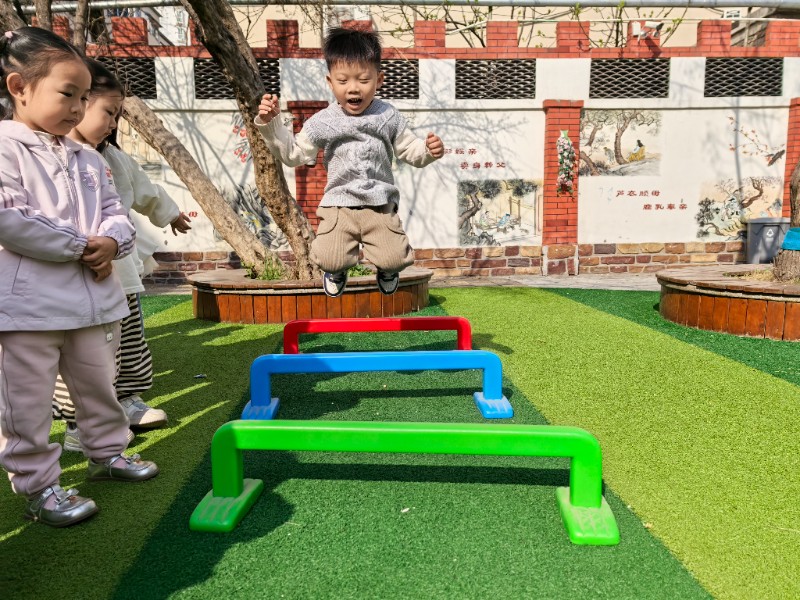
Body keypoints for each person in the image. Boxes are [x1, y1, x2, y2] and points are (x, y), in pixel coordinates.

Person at [0, 27, 159, 528]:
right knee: (26, 405)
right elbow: (9, 218)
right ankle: (38, 485)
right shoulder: (5, 148)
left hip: (92, 302)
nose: (77, 107)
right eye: (67, 94)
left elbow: (116, 213)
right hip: (28, 310)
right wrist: (81, 246)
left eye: (84, 97)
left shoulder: (88, 157)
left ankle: (107, 453)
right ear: (19, 87)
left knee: (99, 387)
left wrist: (113, 242)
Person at [51, 59, 191, 452]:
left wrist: (170, 214)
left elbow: (146, 190)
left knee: (129, 343)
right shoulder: (53, 156)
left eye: (116, 115)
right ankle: (80, 421)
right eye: (108, 112)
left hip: (121, 276)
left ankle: (127, 400)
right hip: (75, 280)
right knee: (82, 353)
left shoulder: (112, 158)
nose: (112, 123)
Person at [255, 27, 445, 297]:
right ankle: (336, 271)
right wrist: (271, 123)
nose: (353, 88)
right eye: (343, 80)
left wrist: (427, 150)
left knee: (396, 259)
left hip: (379, 205)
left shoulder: (388, 116)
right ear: (330, 82)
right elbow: (294, 154)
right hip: (338, 204)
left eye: (363, 80)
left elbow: (409, 150)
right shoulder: (323, 121)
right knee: (328, 258)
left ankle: (387, 270)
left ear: (379, 79)